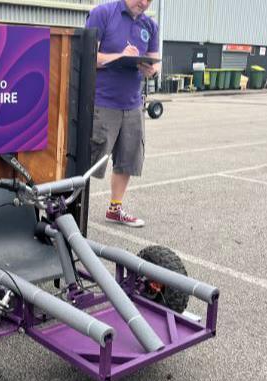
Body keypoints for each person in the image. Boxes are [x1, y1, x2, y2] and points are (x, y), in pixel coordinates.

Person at [86, 0, 160, 228]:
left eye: (149, 0)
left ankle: (115, 209)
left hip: (133, 103)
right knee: (88, 160)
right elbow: (87, 54)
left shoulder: (150, 25)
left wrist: (151, 69)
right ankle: (65, 207)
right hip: (102, 102)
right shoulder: (103, 13)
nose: (144, 3)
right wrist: (118, 56)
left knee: (128, 158)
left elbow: (155, 59)